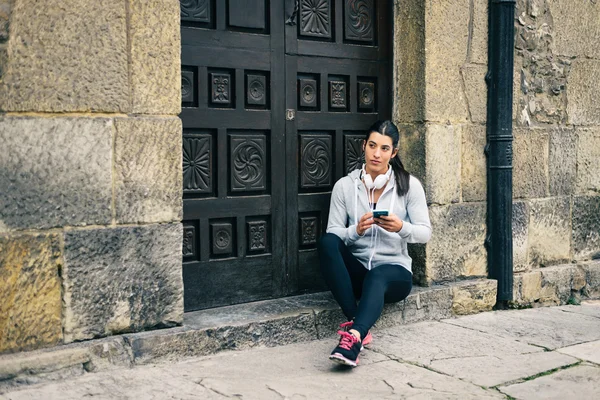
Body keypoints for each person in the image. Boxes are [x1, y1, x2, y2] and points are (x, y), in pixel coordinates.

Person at [318, 120, 431, 367]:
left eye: (384, 148)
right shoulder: (345, 187)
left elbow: (425, 233)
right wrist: (355, 231)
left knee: (378, 275)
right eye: (372, 146)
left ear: (394, 153)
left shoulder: (409, 186)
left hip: (393, 275)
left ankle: (354, 337)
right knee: (327, 243)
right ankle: (359, 323)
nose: (376, 154)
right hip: (358, 273)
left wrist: (402, 227)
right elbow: (334, 233)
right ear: (363, 147)